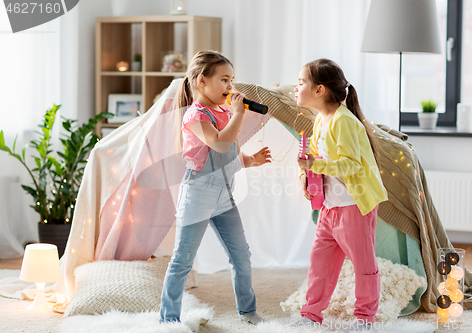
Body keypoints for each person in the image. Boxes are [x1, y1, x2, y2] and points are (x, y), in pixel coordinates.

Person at [159, 50, 270, 326]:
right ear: (201, 81)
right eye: (224, 79)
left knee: (241, 255)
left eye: (232, 80)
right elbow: (219, 143)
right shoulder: (195, 116)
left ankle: (248, 310)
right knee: (183, 259)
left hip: (224, 197)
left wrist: (249, 160)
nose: (230, 87)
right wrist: (238, 115)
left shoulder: (223, 112)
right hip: (198, 195)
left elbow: (228, 152)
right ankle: (168, 319)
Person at [290, 59, 388, 328]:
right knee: (319, 264)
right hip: (330, 207)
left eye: (300, 83)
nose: (295, 88)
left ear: (319, 90)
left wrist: (315, 164)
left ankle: (364, 319)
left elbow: (350, 164)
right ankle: (310, 315)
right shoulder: (321, 119)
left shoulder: (343, 121)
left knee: (363, 264)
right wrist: (307, 176)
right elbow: (321, 160)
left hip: (353, 205)